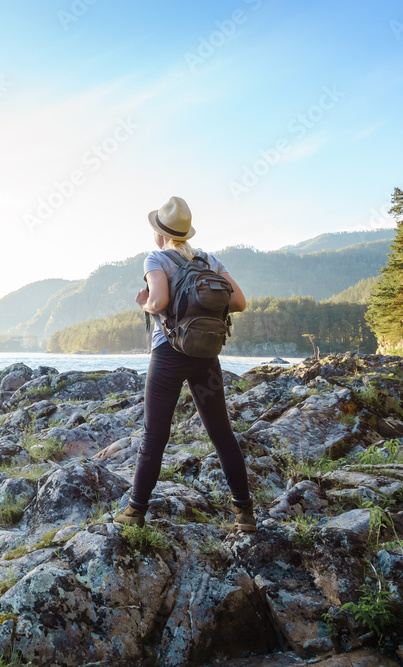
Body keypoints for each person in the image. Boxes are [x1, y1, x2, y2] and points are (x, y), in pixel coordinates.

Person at [113, 195, 255, 532]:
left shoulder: (157, 258)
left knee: (155, 435)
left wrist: (146, 303)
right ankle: (245, 513)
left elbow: (159, 300)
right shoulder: (209, 260)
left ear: (159, 232)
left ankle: (135, 511)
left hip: (169, 355)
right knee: (222, 433)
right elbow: (240, 302)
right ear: (186, 232)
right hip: (206, 355)